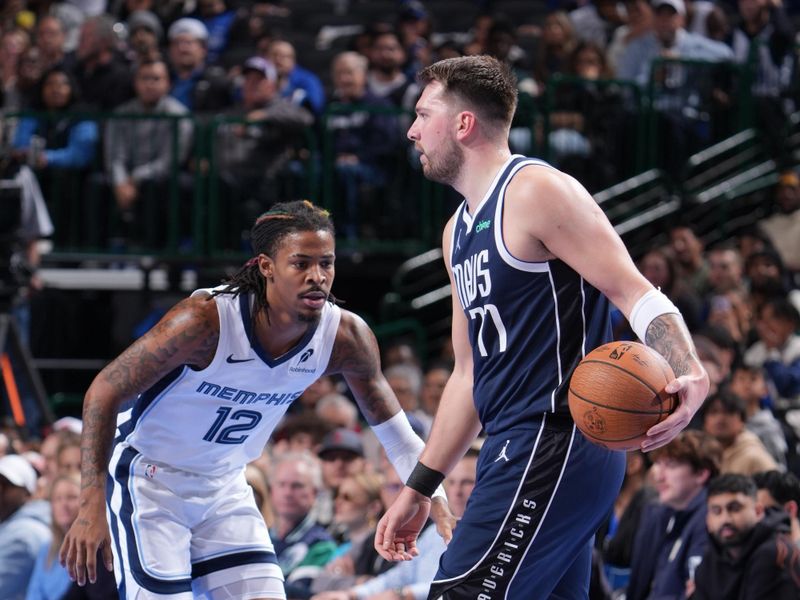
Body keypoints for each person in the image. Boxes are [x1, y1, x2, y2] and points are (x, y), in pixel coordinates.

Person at [375, 55, 709, 599]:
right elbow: (466, 377)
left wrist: (690, 368)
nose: (412, 129)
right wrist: (420, 487)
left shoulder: (536, 190)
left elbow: (635, 290)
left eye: (422, 114)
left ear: (463, 124)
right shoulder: (455, 232)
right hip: (518, 444)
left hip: (562, 436)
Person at [59, 200, 453, 599]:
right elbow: (104, 391)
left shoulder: (344, 337)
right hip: (151, 478)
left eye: (326, 264)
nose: (317, 277)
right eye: (301, 264)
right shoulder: (204, 321)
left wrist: (431, 493)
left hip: (225, 483)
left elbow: (396, 433)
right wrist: (89, 503)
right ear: (267, 266)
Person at [626, 430, 721, 600]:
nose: (659, 476)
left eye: (670, 465)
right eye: (659, 465)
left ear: (701, 473)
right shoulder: (656, 512)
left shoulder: (711, 520)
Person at [692, 473, 800, 599]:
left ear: (758, 511)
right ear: (707, 519)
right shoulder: (710, 558)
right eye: (716, 511)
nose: (725, 519)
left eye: (735, 508)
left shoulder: (774, 552)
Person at [0, 454, 51, 600]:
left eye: (7, 485)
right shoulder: (10, 524)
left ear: (28, 494)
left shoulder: (25, 534)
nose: (0, 489)